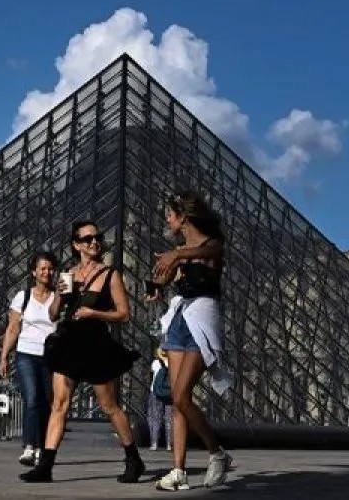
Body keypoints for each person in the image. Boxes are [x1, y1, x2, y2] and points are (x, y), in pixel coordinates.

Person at [19, 221, 143, 484]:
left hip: (95, 343)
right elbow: (53, 314)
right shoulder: (67, 274)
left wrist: (94, 313)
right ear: (76, 245)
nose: (94, 242)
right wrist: (60, 297)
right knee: (59, 405)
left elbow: (123, 314)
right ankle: (46, 466)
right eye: (88, 239)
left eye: (97, 237)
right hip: (69, 343)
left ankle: (133, 458)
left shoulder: (111, 274)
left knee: (109, 407)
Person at [149, 191, 233, 490]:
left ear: (183, 216)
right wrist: (156, 285)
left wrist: (178, 255)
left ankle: (217, 453)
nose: (166, 220)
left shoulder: (213, 245)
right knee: (176, 400)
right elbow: (164, 276)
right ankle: (178, 471)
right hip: (180, 321)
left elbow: (206, 254)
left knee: (182, 396)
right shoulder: (179, 250)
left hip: (202, 321)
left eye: (169, 215)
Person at [0, 251, 61, 465]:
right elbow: (13, 328)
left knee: (46, 403)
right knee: (32, 399)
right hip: (26, 354)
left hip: (50, 357)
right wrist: (4, 356)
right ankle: (29, 446)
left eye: (50, 268)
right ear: (34, 271)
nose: (47, 272)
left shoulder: (58, 297)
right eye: (42, 268)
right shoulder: (22, 297)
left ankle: (41, 447)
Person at [147, 347, 174, 452]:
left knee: (155, 418)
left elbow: (152, 371)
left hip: (156, 392)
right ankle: (169, 445)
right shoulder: (174, 362)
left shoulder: (155, 363)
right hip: (170, 393)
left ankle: (154, 444)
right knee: (170, 419)